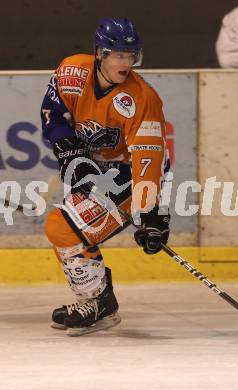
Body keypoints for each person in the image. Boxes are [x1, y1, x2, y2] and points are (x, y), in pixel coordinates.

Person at [40, 18, 170, 335]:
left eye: (131, 56)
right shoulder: (71, 71)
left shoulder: (142, 98)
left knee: (62, 227)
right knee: (62, 230)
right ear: (100, 53)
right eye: (119, 55)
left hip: (127, 174)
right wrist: (68, 148)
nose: (126, 62)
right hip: (98, 168)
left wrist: (152, 213)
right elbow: (52, 116)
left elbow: (148, 160)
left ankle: (99, 302)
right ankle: (96, 301)